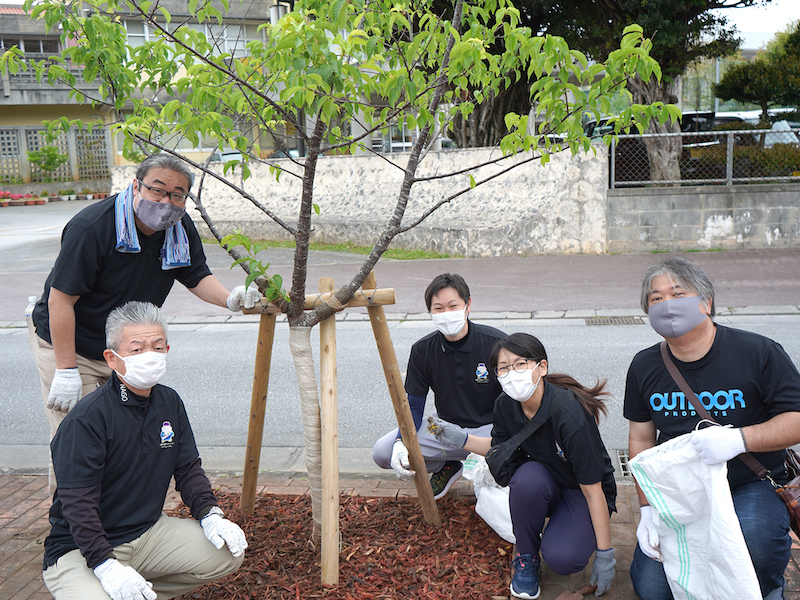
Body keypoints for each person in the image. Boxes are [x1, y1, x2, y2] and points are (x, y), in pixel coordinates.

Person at [27, 153, 259, 493]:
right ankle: (72, 533)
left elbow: (194, 275)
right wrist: (65, 371)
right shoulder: (93, 227)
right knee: (80, 438)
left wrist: (228, 299)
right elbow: (61, 301)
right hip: (70, 343)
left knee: (128, 434)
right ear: (136, 186)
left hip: (127, 348)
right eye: (157, 190)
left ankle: (126, 522)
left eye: (177, 194)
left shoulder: (178, 228)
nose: (167, 201)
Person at [42, 301, 246, 600]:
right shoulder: (87, 419)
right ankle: (111, 585)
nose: (149, 355)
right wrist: (105, 564)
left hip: (146, 533)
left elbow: (188, 468)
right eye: (136, 349)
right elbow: (78, 503)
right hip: (80, 547)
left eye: (157, 346)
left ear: (167, 351)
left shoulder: (169, 402)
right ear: (112, 359)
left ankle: (139, 593)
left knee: (228, 552)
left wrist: (210, 514)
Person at [624, 256, 800, 600]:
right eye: (655, 299)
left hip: (749, 482)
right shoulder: (645, 365)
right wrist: (646, 507)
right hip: (681, 490)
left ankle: (769, 589)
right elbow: (640, 439)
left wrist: (739, 439)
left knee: (754, 545)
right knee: (652, 588)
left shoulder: (758, 352)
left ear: (706, 303)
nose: (666, 304)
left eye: (677, 293)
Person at [430, 333, 617, 599]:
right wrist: (462, 438)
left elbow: (593, 490)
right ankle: (526, 557)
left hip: (582, 490)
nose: (511, 373)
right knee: (527, 477)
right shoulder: (505, 405)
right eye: (503, 368)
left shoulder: (569, 415)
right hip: (544, 481)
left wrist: (605, 554)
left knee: (564, 559)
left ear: (542, 367)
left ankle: (566, 530)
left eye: (520, 364)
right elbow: (501, 448)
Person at [371, 273, 506, 499]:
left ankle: (484, 462)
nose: (446, 314)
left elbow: (517, 401)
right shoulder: (423, 350)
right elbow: (413, 407)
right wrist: (400, 442)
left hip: (489, 430)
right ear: (431, 313)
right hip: (443, 429)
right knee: (383, 452)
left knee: (512, 461)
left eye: (453, 306)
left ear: (468, 305)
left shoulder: (496, 343)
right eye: (439, 309)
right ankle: (447, 465)